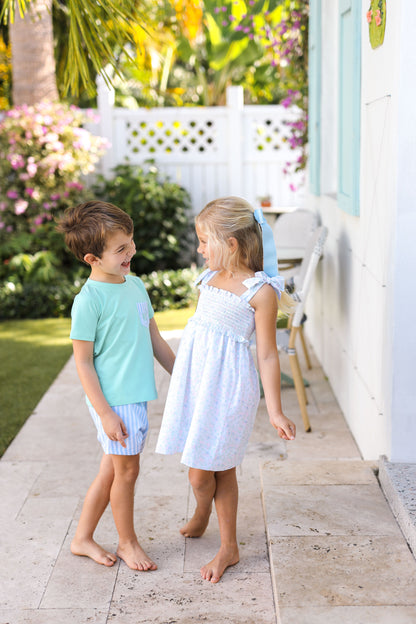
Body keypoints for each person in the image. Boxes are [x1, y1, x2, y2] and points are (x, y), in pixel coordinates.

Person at [156, 196, 296, 584]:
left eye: (204, 241)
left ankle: (229, 546)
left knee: (217, 469)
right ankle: (203, 512)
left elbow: (267, 355)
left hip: (229, 391)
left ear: (230, 243)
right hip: (199, 387)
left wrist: (275, 411)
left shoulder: (259, 291)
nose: (199, 249)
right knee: (198, 474)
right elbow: (203, 336)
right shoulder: (208, 279)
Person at [57, 200, 175, 571]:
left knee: (112, 468)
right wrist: (105, 413)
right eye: (120, 249)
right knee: (126, 471)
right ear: (92, 258)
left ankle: (82, 538)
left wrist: (185, 376)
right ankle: (127, 543)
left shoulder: (136, 285)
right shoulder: (88, 301)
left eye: (131, 243)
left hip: (133, 395)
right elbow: (83, 362)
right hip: (114, 400)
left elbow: (154, 339)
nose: (131, 252)